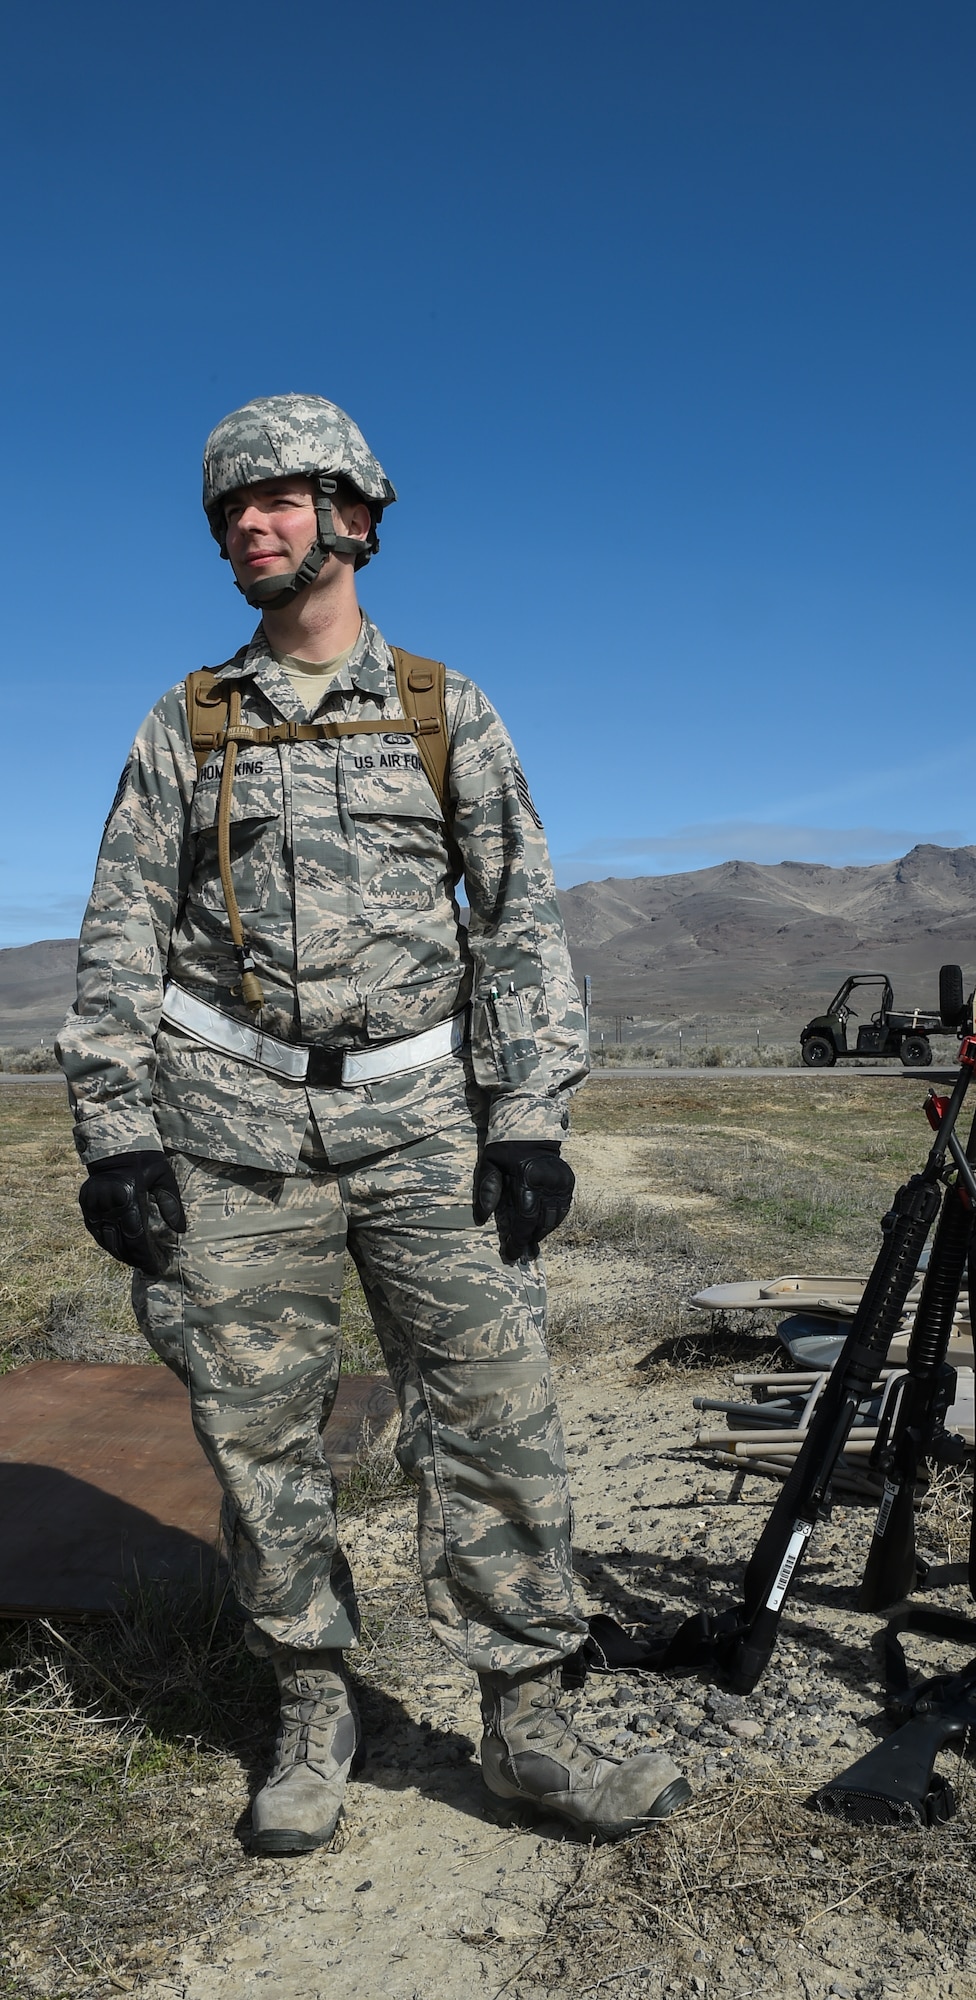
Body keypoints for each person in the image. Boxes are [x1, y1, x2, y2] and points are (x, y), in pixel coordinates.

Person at [58, 393, 689, 1853]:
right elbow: (119, 936)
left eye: (274, 500)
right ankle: (314, 1707)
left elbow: (522, 915)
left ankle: (526, 1723)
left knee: (493, 1421)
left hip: (426, 1127)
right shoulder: (190, 722)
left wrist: (527, 1115)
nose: (246, 529)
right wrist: (118, 1132)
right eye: (228, 511)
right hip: (228, 1129)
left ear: (354, 515)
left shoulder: (442, 707)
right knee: (258, 1435)